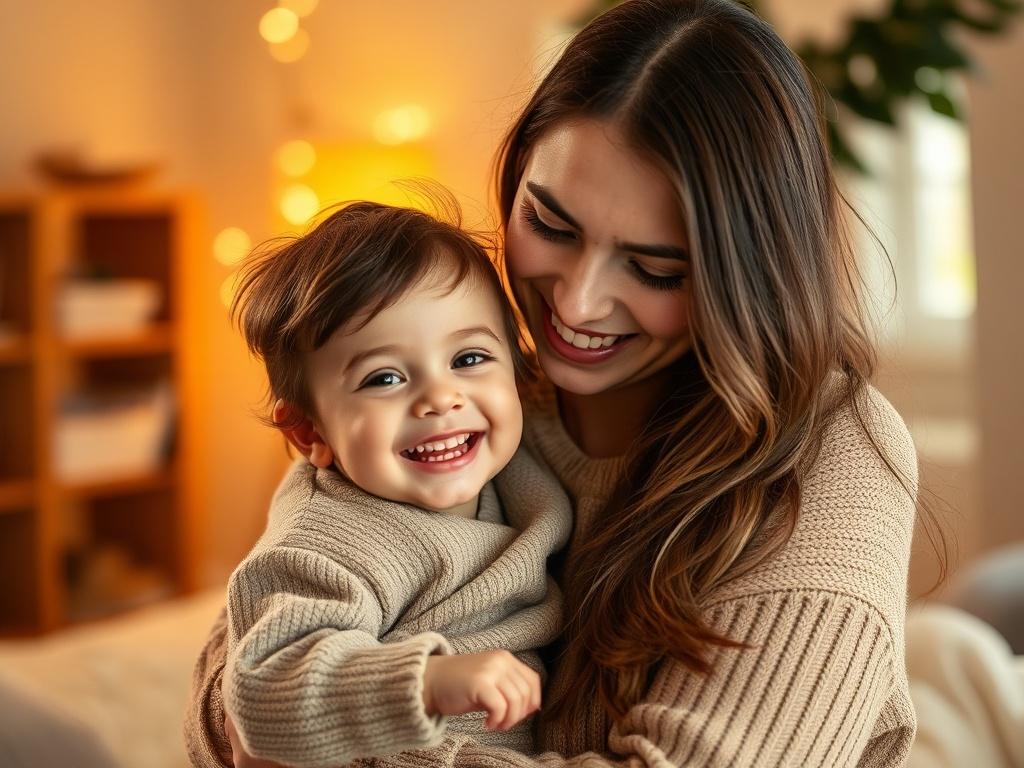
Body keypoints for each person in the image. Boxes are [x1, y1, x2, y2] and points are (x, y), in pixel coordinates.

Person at [186, 0, 934, 764]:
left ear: (748, 277)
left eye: (653, 269)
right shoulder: (450, 414)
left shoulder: (830, 457)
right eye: (550, 225)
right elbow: (233, 700)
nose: (574, 305)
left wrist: (356, 741)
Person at [216, 199, 574, 767]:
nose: (440, 397)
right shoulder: (329, 541)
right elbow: (260, 692)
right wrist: (426, 682)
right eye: (384, 377)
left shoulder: (520, 468)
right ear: (309, 430)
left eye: (470, 357)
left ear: (518, 367)